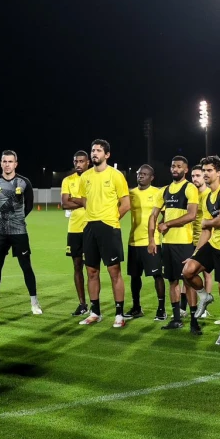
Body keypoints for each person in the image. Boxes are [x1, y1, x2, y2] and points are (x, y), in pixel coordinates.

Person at [182, 156, 220, 346]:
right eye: (204, 170)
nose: (206, 174)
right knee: (188, 271)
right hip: (214, 244)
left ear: (219, 172)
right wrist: (195, 254)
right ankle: (204, 296)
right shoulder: (206, 196)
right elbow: (206, 230)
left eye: (209, 170)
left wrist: (206, 222)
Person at [70, 139, 130, 327]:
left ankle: (119, 314)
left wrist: (110, 220)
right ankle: (95, 312)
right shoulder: (85, 176)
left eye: (98, 150)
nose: (94, 153)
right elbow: (85, 201)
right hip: (89, 227)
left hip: (109, 228)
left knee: (114, 272)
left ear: (107, 155)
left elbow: (126, 204)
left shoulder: (116, 175)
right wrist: (92, 217)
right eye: (93, 150)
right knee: (91, 271)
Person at [0, 150, 40, 315]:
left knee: (26, 266)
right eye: (4, 161)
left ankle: (34, 303)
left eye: (10, 161)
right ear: (1, 163)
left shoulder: (24, 182)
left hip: (19, 231)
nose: (7, 164)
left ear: (16, 163)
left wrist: (16, 219)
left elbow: (28, 205)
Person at [158, 156, 201, 333]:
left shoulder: (190, 188)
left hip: (184, 242)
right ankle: (176, 319)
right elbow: (163, 214)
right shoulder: (166, 190)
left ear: (186, 169)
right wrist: (160, 222)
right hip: (167, 243)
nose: (175, 169)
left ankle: (193, 320)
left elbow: (191, 215)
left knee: (188, 282)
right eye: (173, 166)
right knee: (172, 281)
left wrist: (167, 224)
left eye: (179, 166)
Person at [125, 164, 166, 320]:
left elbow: (166, 213)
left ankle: (161, 308)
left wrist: (162, 225)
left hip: (152, 241)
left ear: (151, 177)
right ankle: (136, 307)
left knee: (157, 275)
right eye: (139, 173)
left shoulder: (157, 193)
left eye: (144, 174)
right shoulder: (131, 193)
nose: (140, 176)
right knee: (135, 276)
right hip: (134, 241)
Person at [61, 151, 90, 316]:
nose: (78, 164)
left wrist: (75, 200)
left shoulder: (93, 178)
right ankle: (82, 304)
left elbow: (95, 202)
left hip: (91, 227)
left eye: (81, 161)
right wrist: (85, 202)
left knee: (92, 268)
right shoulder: (68, 180)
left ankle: (95, 304)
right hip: (74, 229)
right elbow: (64, 204)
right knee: (77, 266)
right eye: (76, 161)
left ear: (88, 163)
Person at [190, 165, 214, 315]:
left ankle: (204, 306)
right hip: (189, 237)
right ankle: (189, 305)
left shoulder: (208, 194)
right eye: (193, 176)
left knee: (206, 273)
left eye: (198, 175)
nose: (195, 179)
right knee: (188, 272)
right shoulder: (191, 193)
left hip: (205, 237)